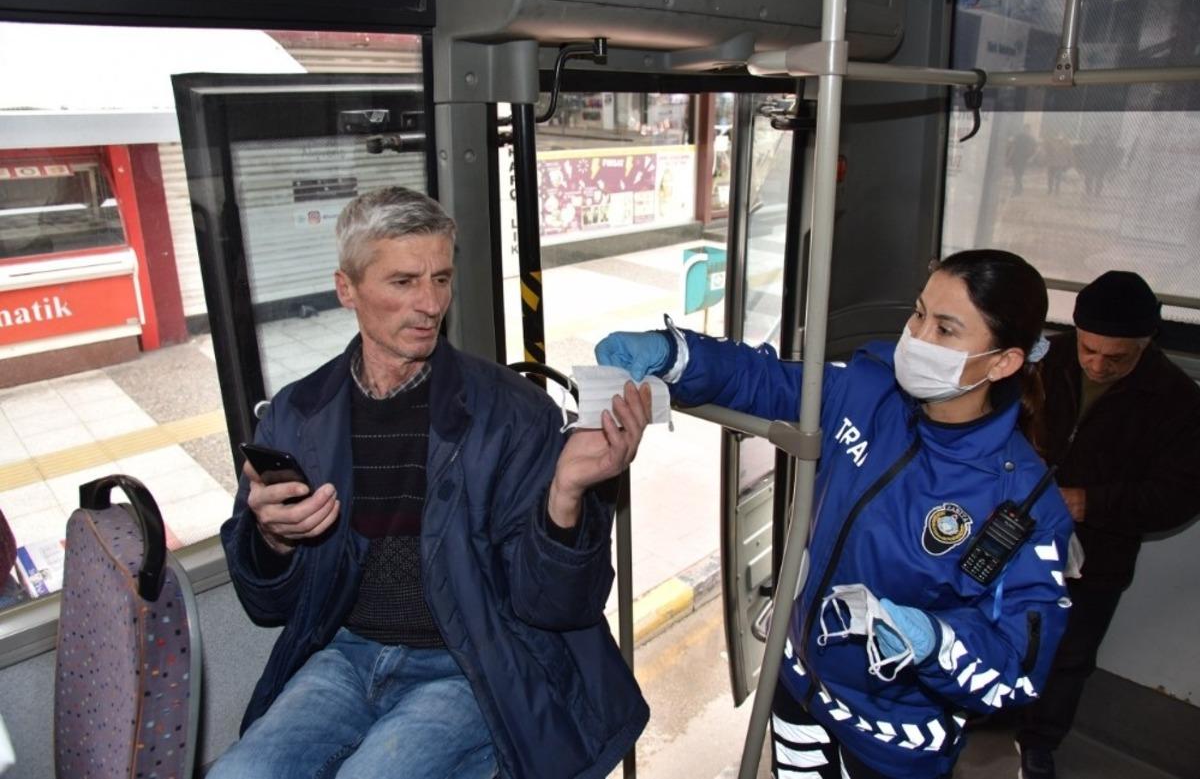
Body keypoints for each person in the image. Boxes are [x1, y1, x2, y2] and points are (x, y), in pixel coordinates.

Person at [210, 186, 651, 779]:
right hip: (345, 654)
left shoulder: (515, 415)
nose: (429, 304)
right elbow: (267, 606)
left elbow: (556, 606)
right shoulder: (297, 415)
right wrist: (274, 541)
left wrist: (565, 497)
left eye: (440, 279)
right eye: (403, 282)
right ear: (347, 290)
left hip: (469, 662)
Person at [597, 249, 1074, 779]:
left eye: (945, 329)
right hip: (798, 682)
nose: (916, 338)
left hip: (892, 739)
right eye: (918, 314)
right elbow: (768, 381)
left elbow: (1018, 670)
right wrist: (677, 354)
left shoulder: (1021, 503)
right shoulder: (870, 390)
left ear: (1004, 361)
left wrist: (935, 641)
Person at [1015, 271, 1200, 779]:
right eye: (1089, 350)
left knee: (1069, 657)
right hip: (1016, 538)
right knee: (1003, 630)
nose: (1098, 365)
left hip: (1098, 557)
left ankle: (1038, 744)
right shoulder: (1044, 360)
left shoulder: (1178, 400)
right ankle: (986, 719)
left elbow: (1179, 495)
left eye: (1116, 358)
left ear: (1147, 343)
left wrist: (1087, 503)